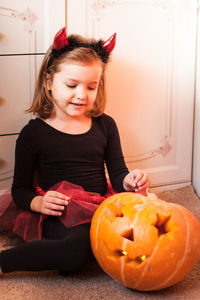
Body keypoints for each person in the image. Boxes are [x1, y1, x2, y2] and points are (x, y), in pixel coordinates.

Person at [0, 27, 150, 275]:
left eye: (91, 87)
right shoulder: (34, 134)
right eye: (72, 85)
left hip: (103, 208)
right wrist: (39, 203)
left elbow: (117, 173)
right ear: (49, 82)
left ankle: (79, 251)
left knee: (144, 235)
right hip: (61, 214)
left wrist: (130, 181)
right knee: (76, 249)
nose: (82, 95)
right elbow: (20, 190)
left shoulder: (106, 125)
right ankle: (5, 262)